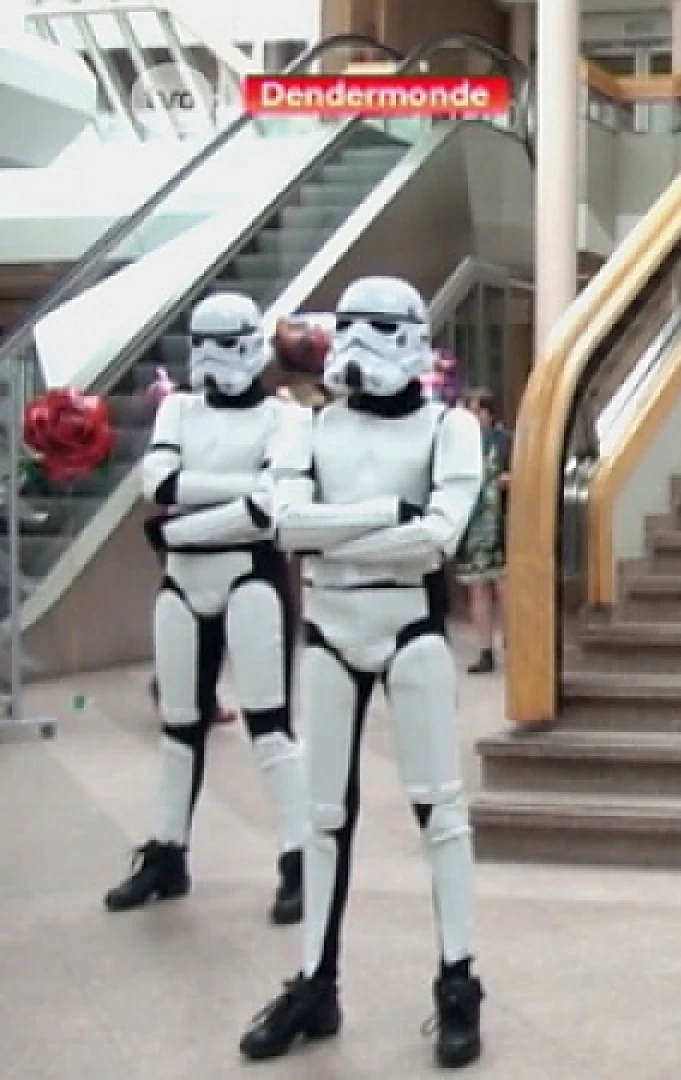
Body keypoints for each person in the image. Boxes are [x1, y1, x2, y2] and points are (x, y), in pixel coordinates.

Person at [238, 277, 488, 1069]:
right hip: (330, 628)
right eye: (351, 326)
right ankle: (315, 981)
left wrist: (329, 533)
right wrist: (388, 517)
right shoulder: (309, 427)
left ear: (413, 335)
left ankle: (458, 980)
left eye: (380, 327)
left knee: (441, 812)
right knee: (321, 818)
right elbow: (282, 527)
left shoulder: (451, 429)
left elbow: (438, 541)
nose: (362, 344)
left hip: (407, 624)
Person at [109, 292, 306, 925]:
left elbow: (272, 505)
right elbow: (156, 485)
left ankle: (300, 860)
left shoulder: (285, 418)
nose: (217, 358)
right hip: (185, 583)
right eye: (206, 342)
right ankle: (168, 854)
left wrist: (183, 525)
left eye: (229, 342)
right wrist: (241, 495)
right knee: (177, 729)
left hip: (250, 580)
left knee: (269, 728)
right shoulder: (181, 412)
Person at [454, 388, 510, 674]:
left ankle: (515, 642)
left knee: (504, 586)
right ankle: (485, 649)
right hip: (471, 524)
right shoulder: (459, 446)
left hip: (499, 522)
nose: (474, 417)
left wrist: (504, 480)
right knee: (477, 589)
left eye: (477, 411)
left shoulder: (503, 442)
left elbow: (518, 473)